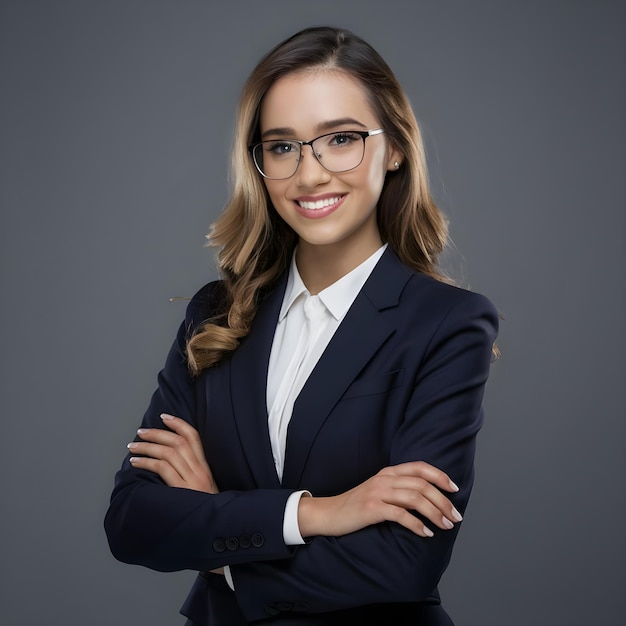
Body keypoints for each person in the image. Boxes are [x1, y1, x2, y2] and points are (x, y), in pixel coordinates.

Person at [104, 26, 499, 626]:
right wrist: (316, 514)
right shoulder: (214, 314)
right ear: (258, 162)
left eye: (339, 139)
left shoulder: (448, 324)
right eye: (282, 146)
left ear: (393, 148)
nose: (309, 175)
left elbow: (402, 564)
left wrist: (220, 535)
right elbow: (132, 523)